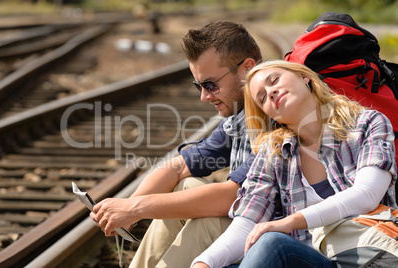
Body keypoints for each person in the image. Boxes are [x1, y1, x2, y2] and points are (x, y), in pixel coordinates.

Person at [191, 60, 397, 268]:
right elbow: (247, 223)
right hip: (308, 260)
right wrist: (203, 262)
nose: (270, 93)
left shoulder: (367, 123)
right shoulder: (274, 152)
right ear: (269, 115)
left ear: (303, 76)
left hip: (366, 257)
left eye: (275, 80)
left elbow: (367, 194)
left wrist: (290, 222)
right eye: (262, 98)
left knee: (272, 243)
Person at [90, 20, 262, 268]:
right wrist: (129, 208)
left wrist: (138, 208)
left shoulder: (276, 109)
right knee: (185, 185)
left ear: (246, 69)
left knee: (206, 221)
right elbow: (180, 166)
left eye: (211, 84)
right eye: (199, 86)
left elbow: (236, 195)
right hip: (249, 224)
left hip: (275, 238)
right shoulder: (243, 111)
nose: (204, 96)